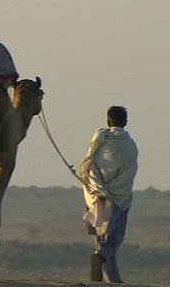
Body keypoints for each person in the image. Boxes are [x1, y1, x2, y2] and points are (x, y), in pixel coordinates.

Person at [79, 106, 139, 283]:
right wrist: (116, 192)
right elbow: (131, 171)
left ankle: (112, 277)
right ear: (125, 122)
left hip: (97, 196)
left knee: (101, 236)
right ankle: (102, 259)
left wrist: (99, 189)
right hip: (120, 199)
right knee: (114, 238)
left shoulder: (100, 143)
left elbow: (90, 168)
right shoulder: (131, 146)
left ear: (108, 121)